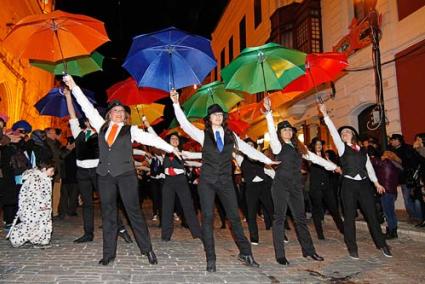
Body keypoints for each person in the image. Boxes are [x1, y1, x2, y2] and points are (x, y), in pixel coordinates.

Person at [64, 75, 179, 266]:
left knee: (133, 212)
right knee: (108, 214)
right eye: (115, 110)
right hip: (104, 176)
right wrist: (74, 86)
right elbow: (86, 105)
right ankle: (109, 254)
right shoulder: (100, 126)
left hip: (126, 176)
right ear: (109, 114)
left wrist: (170, 148)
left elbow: (151, 140)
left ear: (125, 116)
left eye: (121, 111)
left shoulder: (131, 130)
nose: (118, 113)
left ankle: (147, 249)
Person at [171, 90, 278, 272]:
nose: (218, 117)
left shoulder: (231, 136)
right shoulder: (203, 135)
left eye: (220, 114)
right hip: (207, 181)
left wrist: (267, 160)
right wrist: (175, 103)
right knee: (208, 218)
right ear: (209, 119)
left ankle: (246, 253)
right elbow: (185, 124)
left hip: (226, 181)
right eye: (214, 115)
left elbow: (247, 150)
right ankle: (210, 258)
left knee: (235, 218)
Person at [263, 97, 338, 265]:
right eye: (284, 130)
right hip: (281, 186)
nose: (288, 132)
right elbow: (272, 133)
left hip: (296, 187)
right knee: (279, 219)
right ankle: (280, 255)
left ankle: (309, 251)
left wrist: (333, 167)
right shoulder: (277, 147)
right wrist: (269, 113)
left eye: (290, 130)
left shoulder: (299, 148)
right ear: (280, 134)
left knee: (300, 220)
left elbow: (316, 159)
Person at [319, 102, 392, 259]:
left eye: (347, 131)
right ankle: (352, 247)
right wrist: (325, 115)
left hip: (364, 184)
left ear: (353, 134)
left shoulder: (363, 150)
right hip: (348, 185)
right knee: (350, 216)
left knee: (371, 214)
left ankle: (382, 244)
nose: (344, 133)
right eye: (343, 132)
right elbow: (332, 131)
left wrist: (376, 183)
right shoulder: (341, 147)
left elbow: (369, 168)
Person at [143, 118, 202, 241]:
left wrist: (211, 156)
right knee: (167, 207)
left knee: (188, 206)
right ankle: (166, 235)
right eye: (172, 139)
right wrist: (148, 126)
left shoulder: (182, 153)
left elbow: (197, 158)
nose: (175, 140)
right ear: (168, 142)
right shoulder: (164, 153)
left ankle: (197, 233)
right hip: (168, 181)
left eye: (176, 139)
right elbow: (156, 139)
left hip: (181, 181)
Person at [235, 138, 274, 245]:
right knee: (251, 213)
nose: (249, 147)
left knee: (271, 210)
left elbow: (269, 170)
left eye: (251, 145)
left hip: (264, 186)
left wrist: (277, 179)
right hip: (251, 187)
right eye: (247, 145)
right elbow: (235, 148)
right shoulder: (240, 158)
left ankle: (280, 234)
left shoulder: (260, 157)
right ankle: (254, 237)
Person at [7, 162, 55, 248]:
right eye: (51, 171)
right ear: (44, 169)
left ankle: (40, 240)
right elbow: (34, 194)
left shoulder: (44, 178)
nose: (53, 173)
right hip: (32, 208)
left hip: (42, 207)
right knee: (30, 225)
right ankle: (16, 238)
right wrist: (41, 205)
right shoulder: (35, 179)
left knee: (41, 224)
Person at [308, 137, 344, 240]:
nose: (319, 146)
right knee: (317, 210)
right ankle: (320, 233)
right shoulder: (310, 156)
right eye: (317, 144)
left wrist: (335, 168)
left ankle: (342, 229)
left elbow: (331, 166)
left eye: (320, 144)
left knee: (334, 208)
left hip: (327, 186)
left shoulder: (325, 156)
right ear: (313, 146)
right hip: (316, 187)